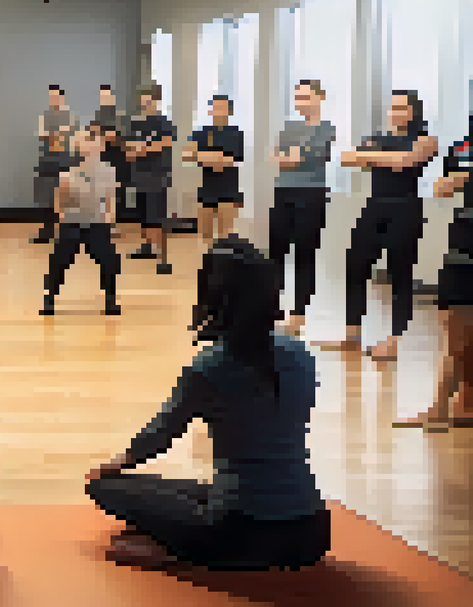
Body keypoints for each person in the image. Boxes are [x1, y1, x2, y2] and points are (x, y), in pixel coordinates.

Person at [86, 237, 330, 571]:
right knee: (197, 490)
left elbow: (159, 437)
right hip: (312, 532)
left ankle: (183, 553)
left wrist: (111, 467)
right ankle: (199, 540)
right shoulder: (302, 355)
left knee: (108, 488)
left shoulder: (210, 366)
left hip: (242, 532)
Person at [335, 90, 438, 361]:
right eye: (393, 107)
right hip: (375, 206)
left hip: (405, 208)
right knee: (355, 265)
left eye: (402, 107)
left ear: (413, 111)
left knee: (399, 273)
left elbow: (408, 160)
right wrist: (386, 157)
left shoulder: (427, 139)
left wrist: (373, 156)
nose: (396, 112)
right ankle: (352, 335)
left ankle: (393, 340)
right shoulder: (380, 138)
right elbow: (347, 158)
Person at [396, 116, 473, 431]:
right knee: (453, 325)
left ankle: (447, 405)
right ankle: (448, 404)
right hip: (463, 240)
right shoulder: (464, 146)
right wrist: (461, 177)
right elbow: (442, 188)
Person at [269, 80, 335, 339]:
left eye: (306, 97)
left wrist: (292, 157)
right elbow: (278, 158)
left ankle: (298, 315)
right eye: (297, 97)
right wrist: (292, 157)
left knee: (304, 253)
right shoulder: (289, 128)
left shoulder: (327, 129)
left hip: (312, 193)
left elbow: (309, 157)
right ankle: (272, 308)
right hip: (283, 191)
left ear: (320, 98)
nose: (300, 102)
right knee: (276, 251)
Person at [42, 123, 121, 317]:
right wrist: (61, 216)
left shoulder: (110, 171)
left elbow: (111, 198)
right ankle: (49, 298)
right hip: (73, 223)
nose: (90, 144)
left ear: (101, 146)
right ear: (79, 146)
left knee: (109, 260)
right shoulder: (70, 172)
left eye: (94, 140)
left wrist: (110, 221)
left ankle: (110, 299)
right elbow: (60, 199)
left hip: (97, 223)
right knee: (59, 261)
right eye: (86, 140)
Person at [125, 84, 176, 275]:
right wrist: (140, 149)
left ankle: (162, 258)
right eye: (143, 97)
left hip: (158, 176)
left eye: (149, 98)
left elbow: (166, 142)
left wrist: (143, 148)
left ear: (156, 100)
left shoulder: (163, 122)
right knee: (143, 216)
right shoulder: (135, 123)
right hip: (140, 175)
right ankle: (147, 247)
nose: (145, 101)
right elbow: (129, 148)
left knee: (157, 217)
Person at [184, 95, 245, 246]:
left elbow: (232, 160)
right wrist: (214, 156)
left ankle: (224, 267)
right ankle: (208, 266)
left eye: (222, 108)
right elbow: (187, 154)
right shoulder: (201, 133)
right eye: (215, 108)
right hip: (207, 189)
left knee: (226, 236)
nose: (217, 111)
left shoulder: (236, 134)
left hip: (229, 190)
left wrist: (205, 156)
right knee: (205, 236)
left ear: (229, 112)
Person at [33, 85, 78, 244]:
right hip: (47, 161)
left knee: (65, 199)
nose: (54, 100)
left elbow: (70, 137)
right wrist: (56, 137)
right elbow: (43, 136)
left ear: (62, 98)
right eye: (51, 97)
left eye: (56, 97)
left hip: (65, 161)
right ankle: (47, 231)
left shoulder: (70, 116)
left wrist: (55, 137)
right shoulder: (44, 116)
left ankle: (65, 233)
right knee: (47, 198)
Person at [93, 85, 134, 230]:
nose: (105, 99)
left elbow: (125, 139)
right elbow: (95, 137)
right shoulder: (97, 117)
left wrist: (114, 137)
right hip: (103, 158)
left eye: (107, 96)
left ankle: (115, 223)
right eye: (102, 97)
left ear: (113, 98)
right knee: (102, 191)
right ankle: (103, 223)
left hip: (119, 159)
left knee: (118, 191)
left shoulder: (120, 118)